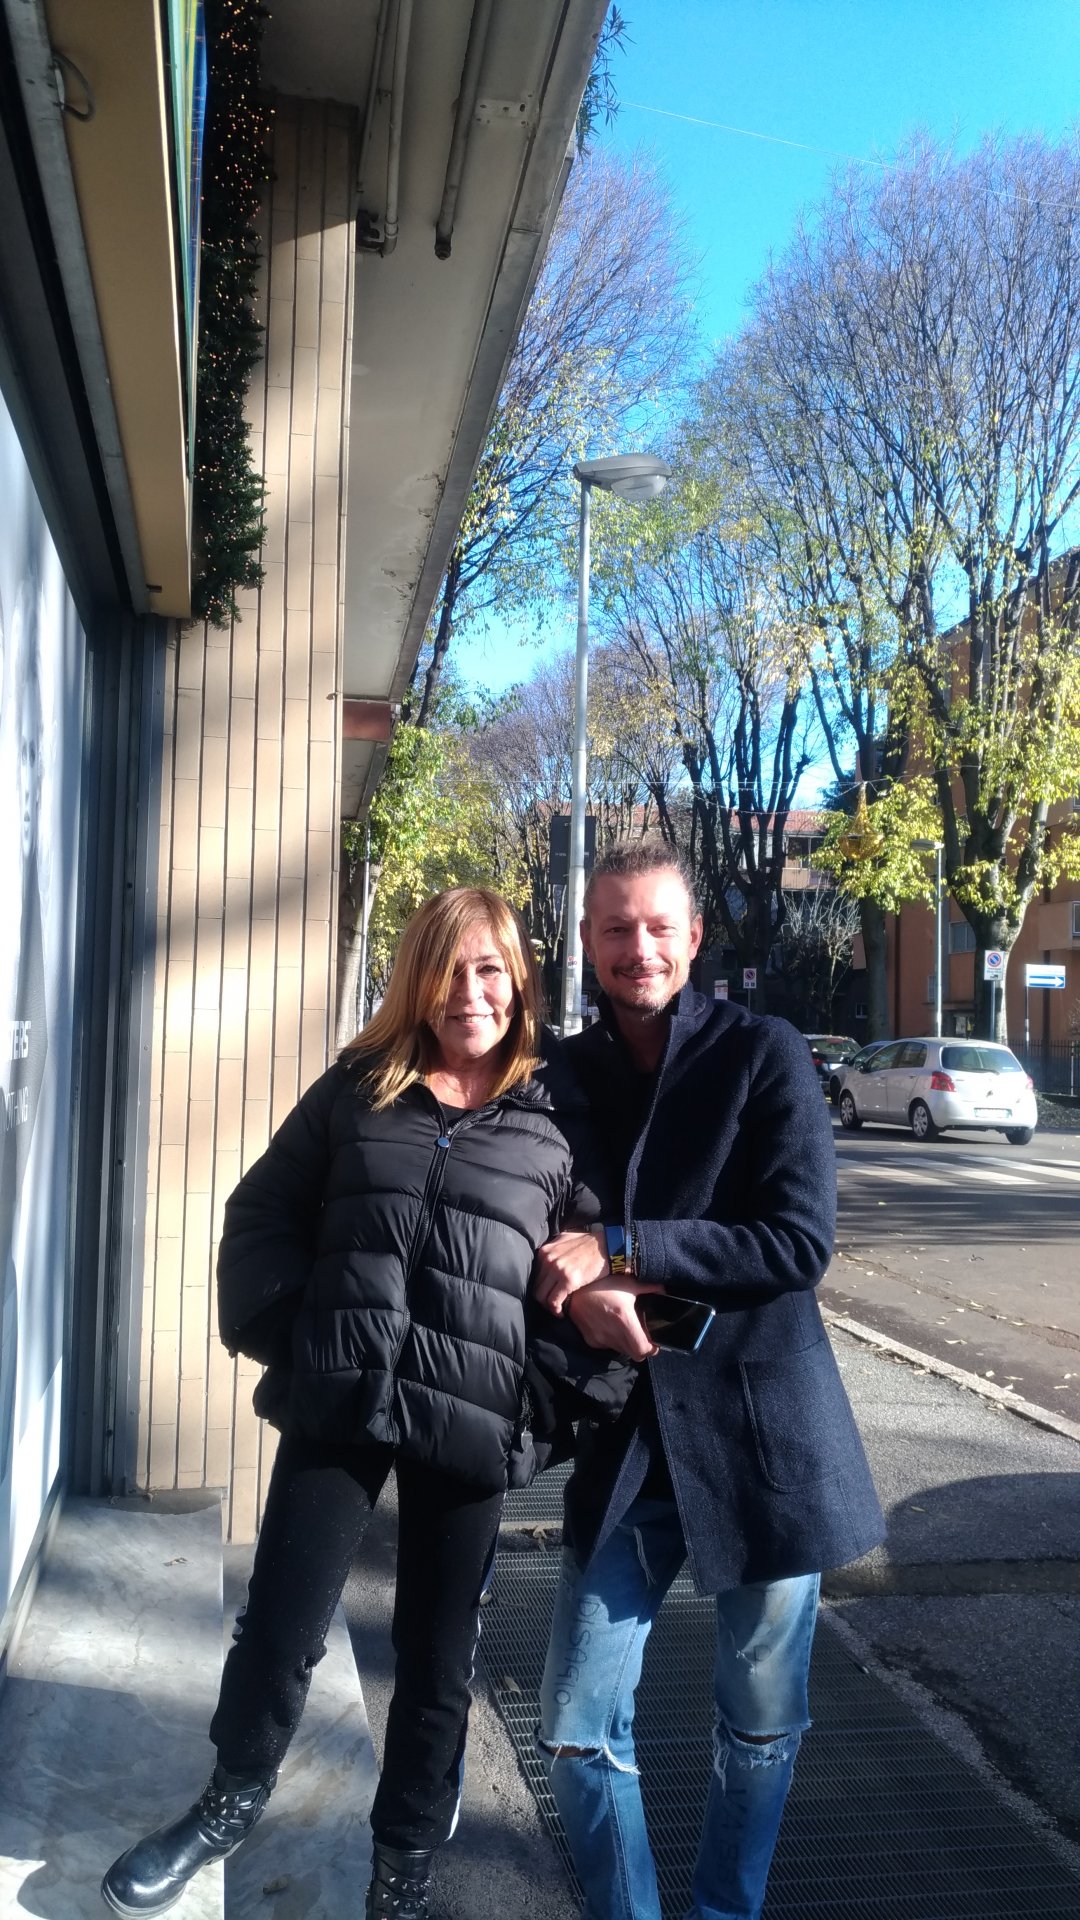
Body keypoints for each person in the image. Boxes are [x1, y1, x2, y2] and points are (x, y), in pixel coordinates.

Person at [101, 886, 610, 1920]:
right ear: (416, 979)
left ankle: (402, 1869)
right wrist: (303, 1337)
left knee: (436, 1661)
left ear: (518, 979)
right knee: (280, 1622)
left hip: (471, 1419)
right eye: (448, 969)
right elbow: (261, 1214)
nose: (470, 992)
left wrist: (535, 1405)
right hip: (341, 1398)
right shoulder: (360, 1085)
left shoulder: (560, 1112)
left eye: (489, 969)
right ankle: (228, 1800)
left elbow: (597, 1276)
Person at [533, 841, 885, 1920]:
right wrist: (581, 1294)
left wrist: (623, 1249)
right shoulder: (561, 1075)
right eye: (615, 928)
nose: (636, 948)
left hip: (762, 1435)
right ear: (586, 942)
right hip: (632, 1438)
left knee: (761, 1722)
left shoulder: (761, 1052)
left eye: (657, 927)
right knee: (575, 1725)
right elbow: (531, 1234)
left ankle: (726, 1910)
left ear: (692, 938)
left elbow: (795, 1243)